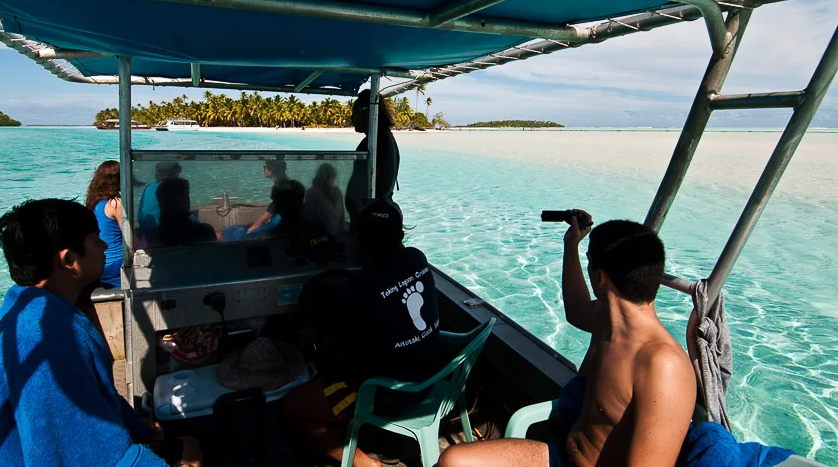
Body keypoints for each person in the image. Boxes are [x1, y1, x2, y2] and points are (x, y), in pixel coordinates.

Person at [438, 212, 696, 467]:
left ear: (600, 277)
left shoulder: (663, 366)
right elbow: (576, 310)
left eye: (588, 263)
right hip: (561, 455)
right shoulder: (608, 319)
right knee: (454, 460)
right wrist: (571, 245)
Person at [0, 198, 202, 467]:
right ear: (69, 260)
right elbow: (89, 457)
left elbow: (85, 403)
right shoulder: (46, 342)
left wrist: (133, 425)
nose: (104, 246)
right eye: (96, 239)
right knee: (192, 452)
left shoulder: (21, 312)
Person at [282, 199, 440, 467]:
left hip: (387, 395)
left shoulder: (360, 288)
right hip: (431, 379)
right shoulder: (417, 258)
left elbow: (335, 350)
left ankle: (365, 463)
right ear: (401, 235)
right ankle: (379, 435)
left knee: (292, 409)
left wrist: (313, 339)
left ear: (361, 241)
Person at [345, 91, 400, 230]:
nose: (352, 118)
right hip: (374, 214)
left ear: (368, 112)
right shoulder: (383, 138)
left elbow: (362, 184)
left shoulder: (375, 143)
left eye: (355, 112)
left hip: (370, 218)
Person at [85, 159, 124, 288]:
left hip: (101, 264)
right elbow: (130, 235)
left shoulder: (95, 203)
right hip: (117, 264)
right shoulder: (116, 203)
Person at [152, 178, 217, 248]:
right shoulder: (204, 231)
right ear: (183, 201)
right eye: (186, 197)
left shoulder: (155, 237)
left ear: (160, 203)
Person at [137, 161, 183, 232]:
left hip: (146, 231)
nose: (179, 174)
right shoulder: (172, 189)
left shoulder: (149, 187)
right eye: (179, 171)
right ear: (173, 174)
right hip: (163, 232)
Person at [247, 159, 289, 234]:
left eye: (264, 167)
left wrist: (253, 227)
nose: (262, 169)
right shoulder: (283, 184)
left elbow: (272, 209)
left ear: (272, 170)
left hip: (279, 225)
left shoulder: (281, 188)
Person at [304, 163, 346, 236]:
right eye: (327, 177)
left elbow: (342, 217)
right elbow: (309, 218)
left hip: (335, 235)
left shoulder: (337, 191)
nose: (329, 180)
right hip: (321, 236)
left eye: (329, 177)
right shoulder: (312, 193)